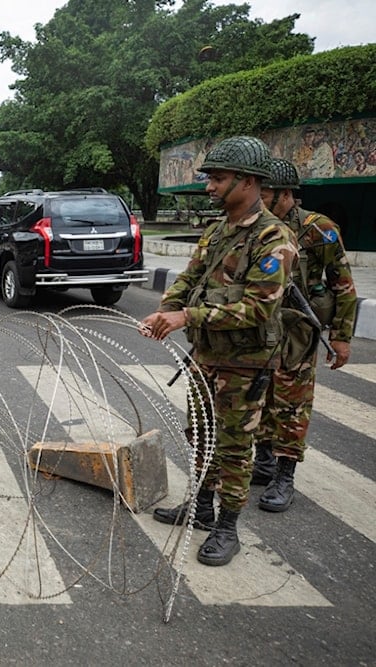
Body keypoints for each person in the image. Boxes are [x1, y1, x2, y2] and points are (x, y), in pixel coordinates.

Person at [139, 136, 297, 567]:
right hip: (206, 357)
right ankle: (201, 507)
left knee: (233, 446)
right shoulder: (217, 231)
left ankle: (227, 527)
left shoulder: (273, 237)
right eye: (210, 177)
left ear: (248, 182)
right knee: (202, 436)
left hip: (244, 364)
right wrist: (166, 312)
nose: (209, 186)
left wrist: (187, 318)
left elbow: (259, 307)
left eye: (219, 178)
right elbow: (189, 280)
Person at [252, 157, 357, 511]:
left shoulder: (319, 229)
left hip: (297, 328)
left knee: (292, 401)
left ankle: (285, 474)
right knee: (261, 394)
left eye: (264, 192)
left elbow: (343, 286)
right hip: (260, 325)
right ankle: (263, 461)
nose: (258, 198)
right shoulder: (255, 226)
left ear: (285, 195)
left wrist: (342, 337)